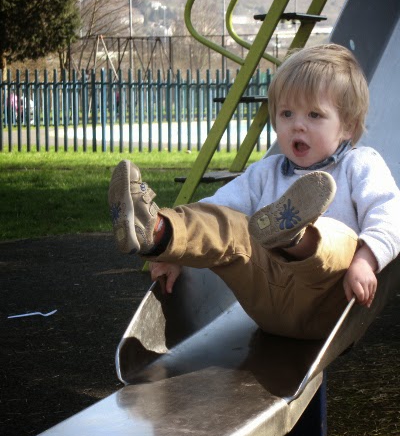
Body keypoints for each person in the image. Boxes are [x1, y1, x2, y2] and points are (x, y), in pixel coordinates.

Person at [108, 44, 400, 340]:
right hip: (267, 300)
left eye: (314, 115)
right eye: (287, 113)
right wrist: (177, 253)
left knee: (337, 239)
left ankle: (295, 235)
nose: (297, 125)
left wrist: (366, 260)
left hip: (329, 300)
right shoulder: (266, 172)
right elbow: (215, 210)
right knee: (229, 224)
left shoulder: (359, 165)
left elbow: (391, 218)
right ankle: (157, 231)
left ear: (348, 126)